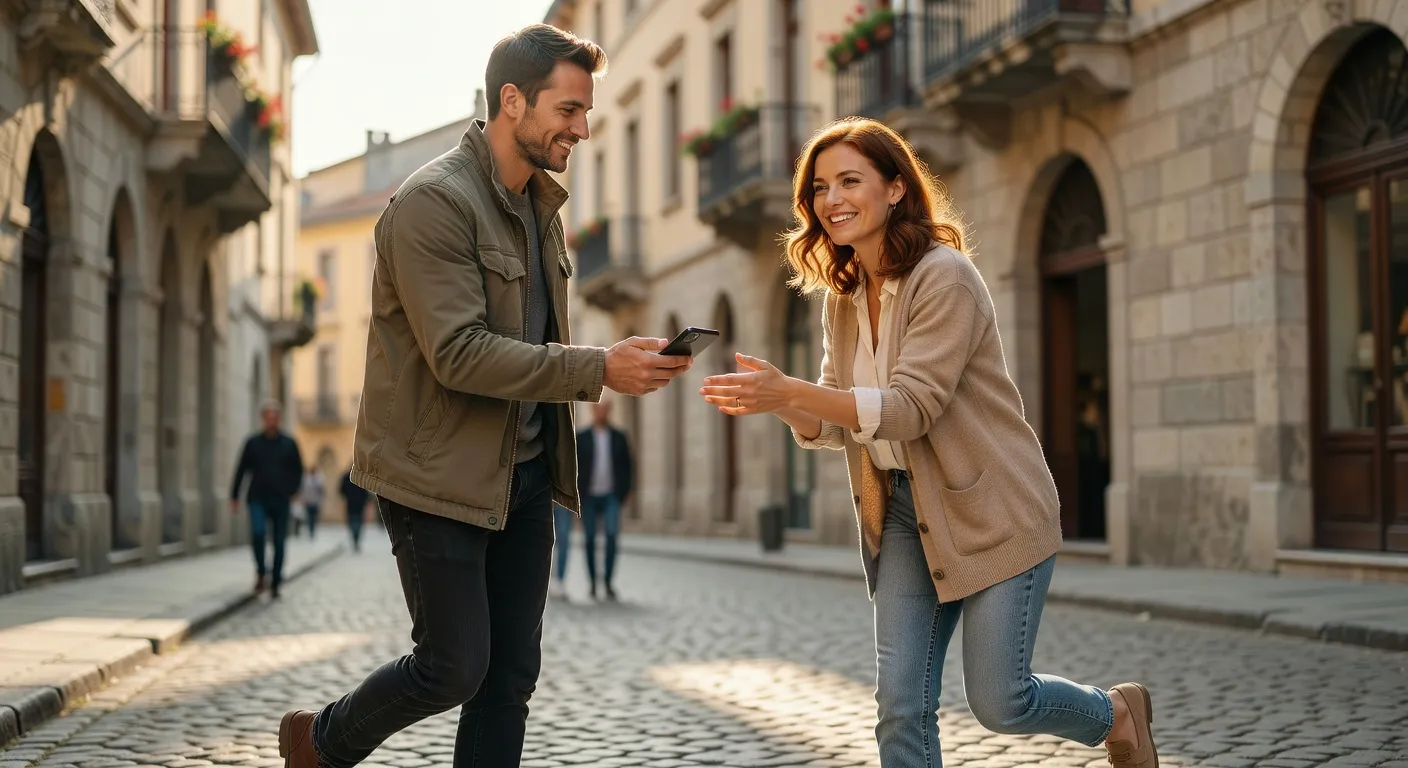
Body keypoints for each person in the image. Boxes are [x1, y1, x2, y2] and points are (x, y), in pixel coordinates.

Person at [277, 24, 692, 768]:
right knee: (453, 666)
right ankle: (320, 742)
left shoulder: (541, 206)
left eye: (585, 112)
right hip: (434, 475)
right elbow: (458, 353)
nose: (583, 128)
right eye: (568, 110)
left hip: (524, 478)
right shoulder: (433, 204)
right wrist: (598, 367)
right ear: (512, 101)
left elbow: (530, 336)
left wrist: (604, 367)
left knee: (508, 681)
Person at [698, 117, 1158, 768]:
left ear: (895, 189)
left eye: (850, 181)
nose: (832, 199)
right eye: (820, 188)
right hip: (904, 518)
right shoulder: (843, 294)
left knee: (1002, 701)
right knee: (900, 705)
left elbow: (911, 410)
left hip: (995, 509)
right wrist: (781, 405)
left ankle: (1115, 715)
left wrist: (793, 393)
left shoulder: (945, 277)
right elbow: (839, 420)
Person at [229, 400, 304, 599]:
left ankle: (276, 581)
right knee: (258, 533)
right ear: (263, 419)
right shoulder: (252, 443)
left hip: (281, 499)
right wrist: (234, 495)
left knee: (279, 541)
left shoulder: (289, 444)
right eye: (268, 417)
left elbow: (298, 470)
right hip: (257, 498)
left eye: (275, 417)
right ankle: (261, 571)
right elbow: (241, 469)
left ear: (279, 419)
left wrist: (294, 490)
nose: (271, 421)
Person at [574, 398, 634, 601]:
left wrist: (624, 493)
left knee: (611, 537)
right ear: (593, 410)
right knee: (589, 539)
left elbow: (628, 467)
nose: (602, 412)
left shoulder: (619, 437)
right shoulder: (581, 437)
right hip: (588, 496)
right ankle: (592, 583)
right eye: (598, 408)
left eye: (606, 409)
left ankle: (608, 582)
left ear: (610, 410)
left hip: (611, 496)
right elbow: (575, 468)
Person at [339, 466, 369, 553]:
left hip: (352, 503)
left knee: (354, 522)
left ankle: (355, 539)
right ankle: (356, 539)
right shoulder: (360, 477)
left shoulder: (347, 477)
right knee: (357, 522)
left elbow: (341, 490)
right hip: (358, 503)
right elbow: (365, 491)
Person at [300, 466, 325, 539]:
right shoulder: (306, 480)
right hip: (308, 501)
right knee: (310, 517)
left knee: (313, 517)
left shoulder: (318, 480)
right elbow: (304, 491)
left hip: (315, 502)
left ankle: (312, 530)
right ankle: (311, 530)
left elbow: (321, 491)